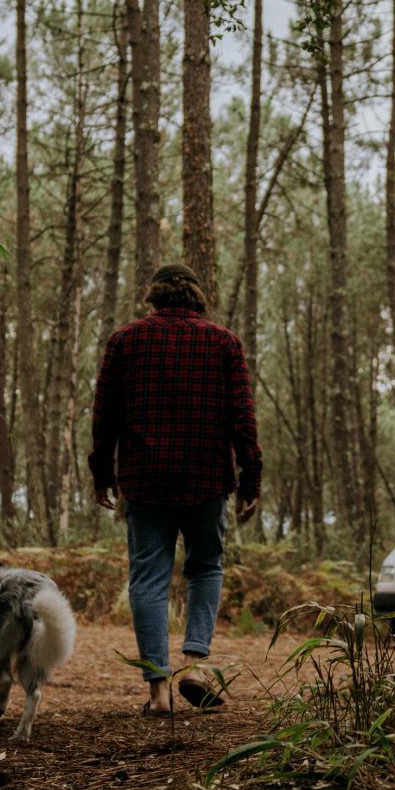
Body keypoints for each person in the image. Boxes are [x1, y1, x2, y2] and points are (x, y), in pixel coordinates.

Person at [88, 263, 261, 716]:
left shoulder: (125, 340)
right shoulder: (224, 342)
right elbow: (243, 419)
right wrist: (251, 478)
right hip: (205, 480)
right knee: (205, 569)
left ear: (154, 297)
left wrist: (102, 473)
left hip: (145, 480)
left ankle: (159, 692)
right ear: (198, 298)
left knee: (148, 579)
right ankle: (193, 665)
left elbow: (104, 417)